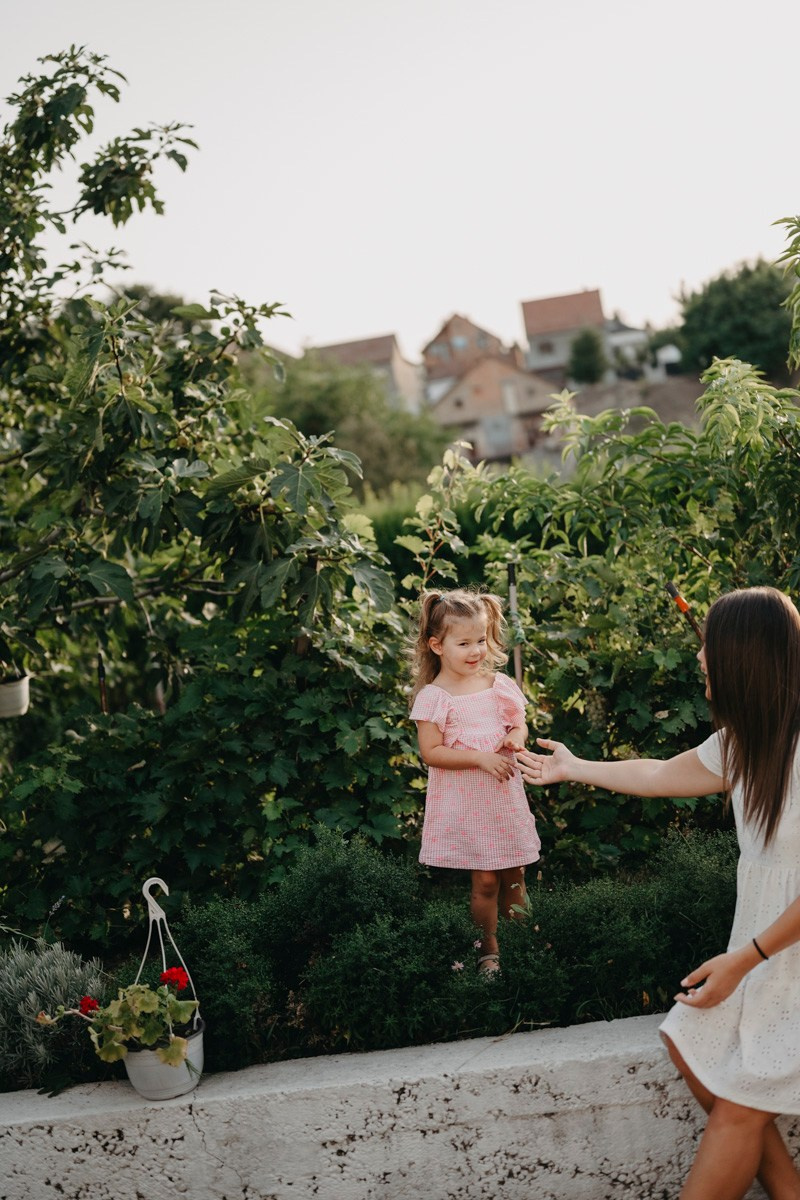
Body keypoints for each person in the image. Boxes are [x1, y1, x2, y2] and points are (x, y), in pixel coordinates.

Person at [516, 586, 800, 1200]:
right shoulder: (743, 742)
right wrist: (575, 766)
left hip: (782, 953)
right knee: (688, 1038)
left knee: (739, 1106)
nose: (700, 661)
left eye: (708, 651)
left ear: (744, 658)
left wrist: (746, 959)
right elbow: (658, 772)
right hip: (768, 955)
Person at [409, 588, 541, 976]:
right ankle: (489, 951)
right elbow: (432, 752)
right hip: (469, 806)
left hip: (503, 800)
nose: (475, 651)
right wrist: (480, 758)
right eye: (463, 642)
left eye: (480, 640)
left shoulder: (497, 685)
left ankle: (524, 941)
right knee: (485, 881)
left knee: (516, 874)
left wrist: (516, 737)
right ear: (437, 645)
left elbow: (519, 723)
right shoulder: (435, 697)